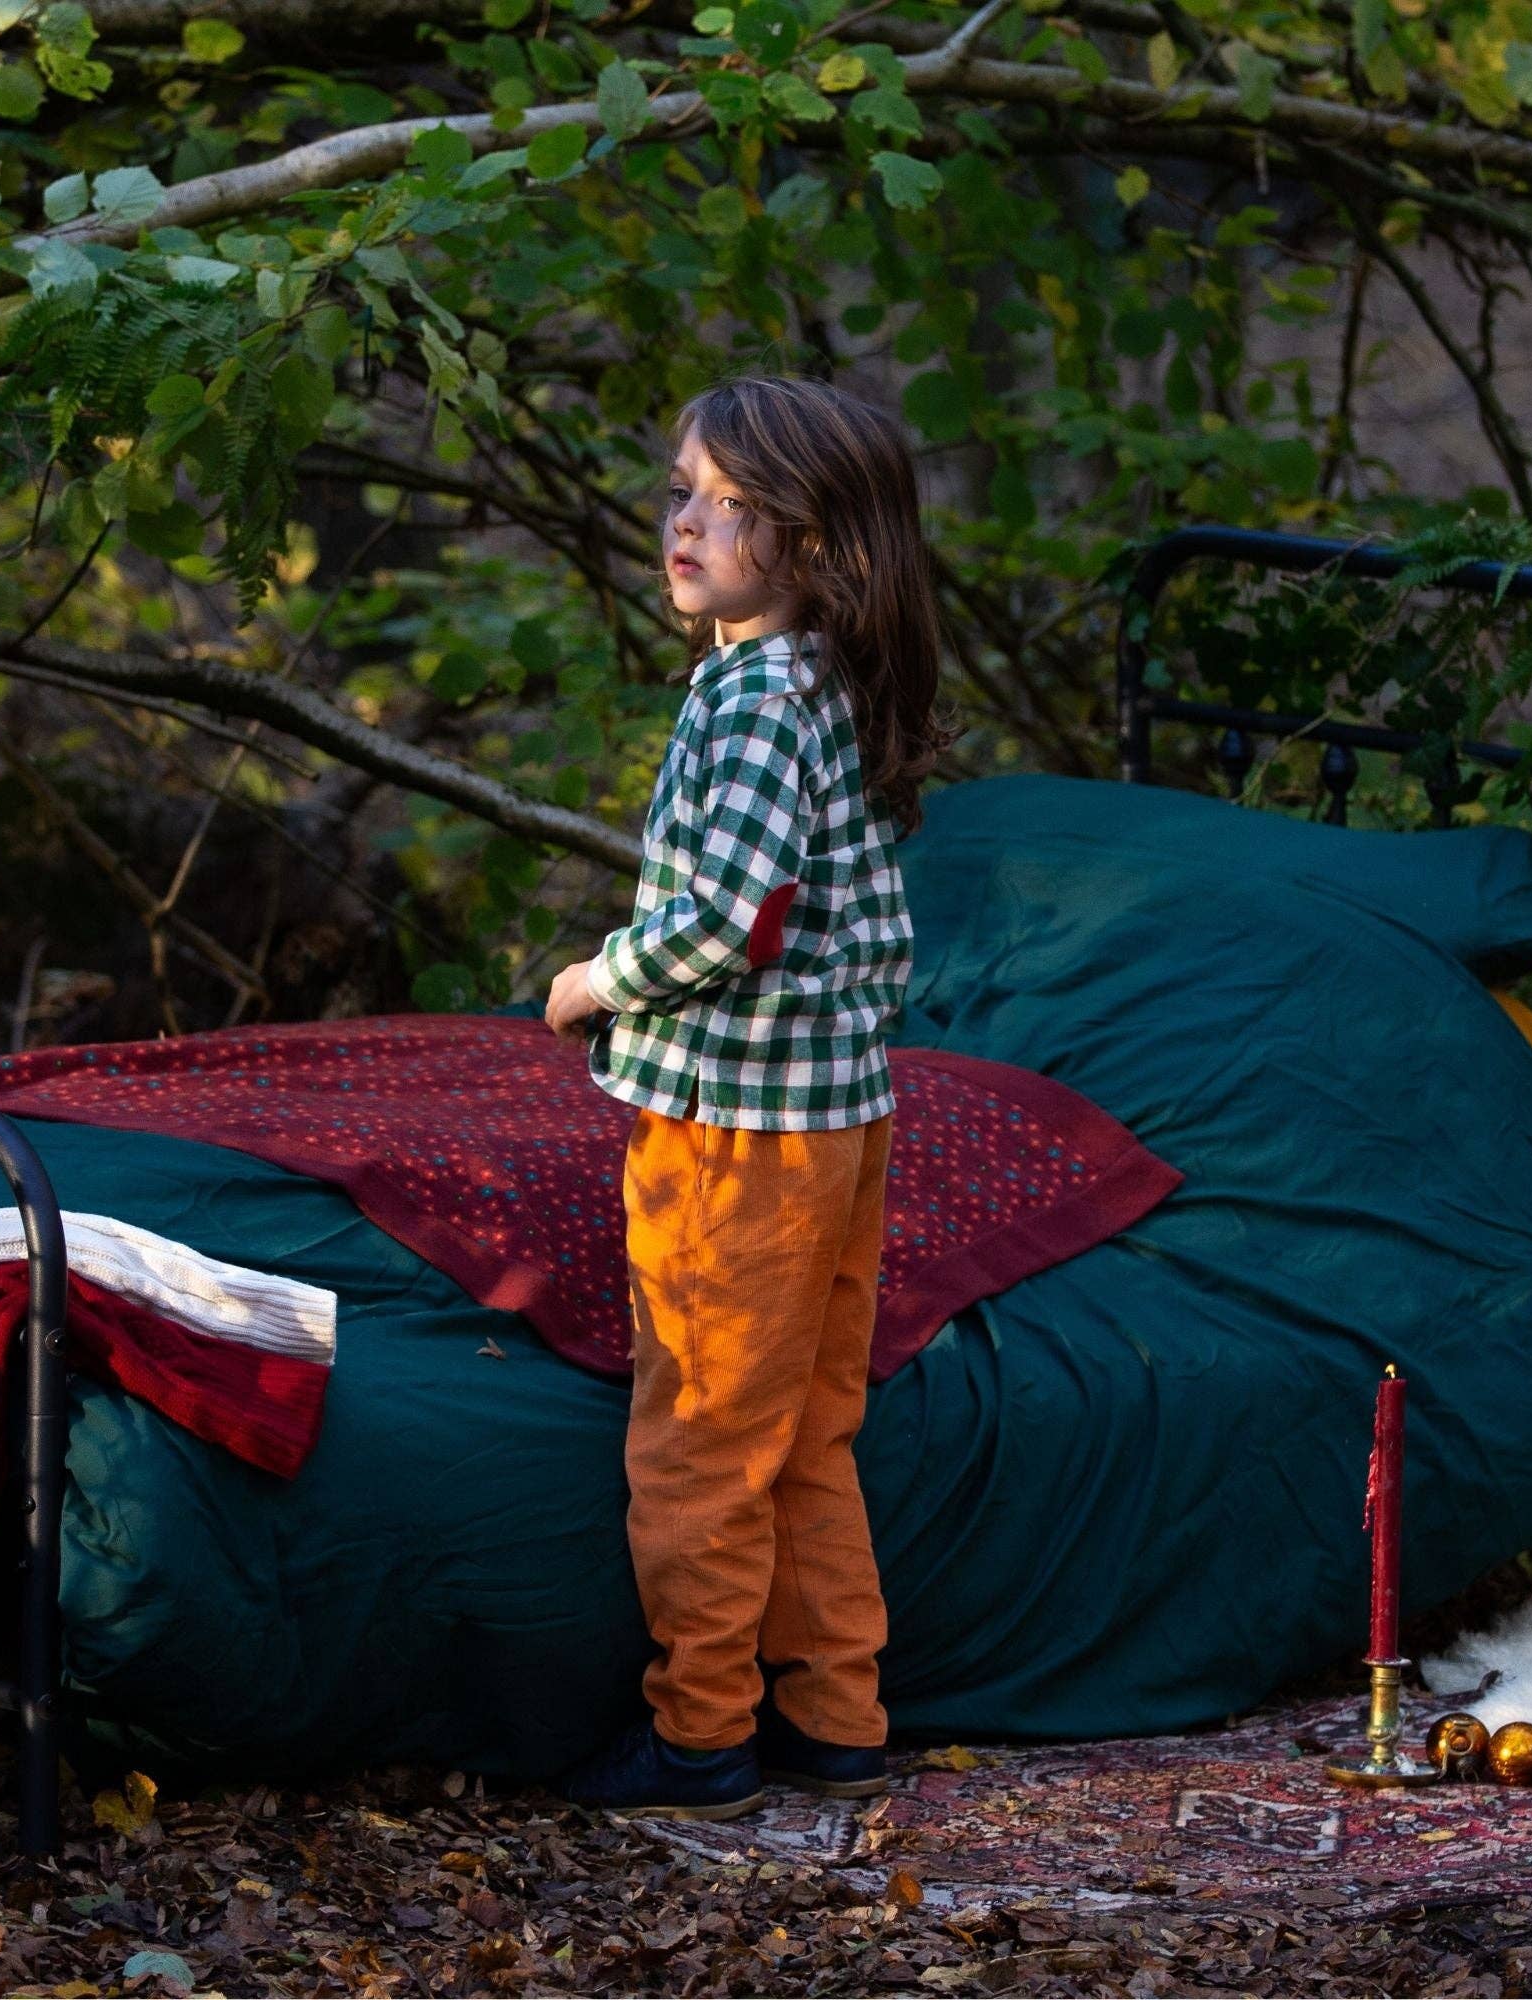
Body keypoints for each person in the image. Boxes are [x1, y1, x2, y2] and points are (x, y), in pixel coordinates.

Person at [539, 374, 960, 1820]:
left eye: (736, 505)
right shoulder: (828, 682)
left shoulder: (750, 698)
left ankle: (699, 1736)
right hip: (840, 1121)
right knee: (807, 1433)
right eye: (681, 493)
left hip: (735, 1135)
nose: (688, 524)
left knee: (703, 1441)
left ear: (818, 542)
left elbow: (731, 915)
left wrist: (597, 980)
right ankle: (839, 1717)